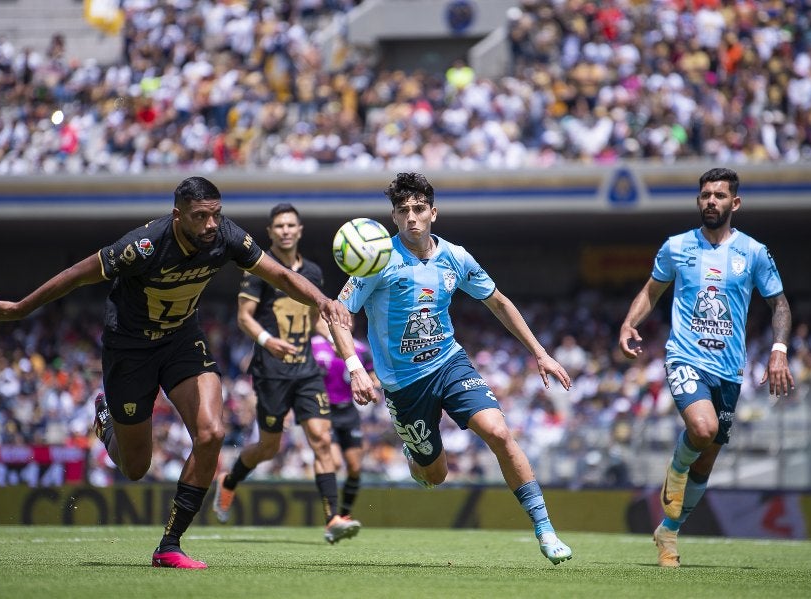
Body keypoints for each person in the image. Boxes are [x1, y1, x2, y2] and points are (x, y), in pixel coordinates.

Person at [0, 177, 351, 569]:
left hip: (181, 342)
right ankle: (107, 422)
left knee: (212, 433)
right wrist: (21, 308)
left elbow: (281, 276)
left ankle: (169, 544)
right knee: (136, 468)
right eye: (200, 217)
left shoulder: (227, 236)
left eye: (215, 215)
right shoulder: (144, 245)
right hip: (130, 349)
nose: (211, 225)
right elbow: (77, 273)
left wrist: (324, 302)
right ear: (178, 216)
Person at [326, 172, 574, 565]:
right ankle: (416, 454)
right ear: (393, 217)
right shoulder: (376, 261)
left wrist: (540, 352)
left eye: (419, 209)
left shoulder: (456, 257)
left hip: (449, 363)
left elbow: (499, 303)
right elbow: (337, 315)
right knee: (434, 476)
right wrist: (355, 367)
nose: (412, 218)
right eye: (403, 211)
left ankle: (545, 529)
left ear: (433, 213)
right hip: (405, 386)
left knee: (499, 432)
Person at [617, 167, 794, 568]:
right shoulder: (677, 246)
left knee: (709, 457)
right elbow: (652, 290)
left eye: (718, 195)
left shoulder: (753, 252)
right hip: (685, 358)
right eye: (705, 195)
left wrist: (779, 349)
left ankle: (668, 533)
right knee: (703, 428)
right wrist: (630, 322)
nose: (710, 201)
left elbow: (778, 303)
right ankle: (675, 470)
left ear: (735, 202)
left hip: (729, 371)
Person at [212, 203, 361, 544]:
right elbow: (244, 317)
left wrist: (335, 340)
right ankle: (229, 481)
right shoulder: (259, 268)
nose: (285, 230)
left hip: (306, 371)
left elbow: (315, 318)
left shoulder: (313, 272)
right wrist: (268, 341)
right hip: (271, 371)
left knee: (322, 439)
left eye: (290, 225)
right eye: (279, 226)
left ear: (299, 229)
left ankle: (332, 518)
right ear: (271, 232)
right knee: (268, 447)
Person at [311, 318, 379, 523]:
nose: (346, 325)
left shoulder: (360, 349)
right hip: (323, 410)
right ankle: (330, 515)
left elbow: (372, 374)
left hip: (348, 411)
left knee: (355, 467)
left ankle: (344, 513)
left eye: (349, 321)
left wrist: (373, 384)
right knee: (335, 462)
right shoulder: (314, 345)